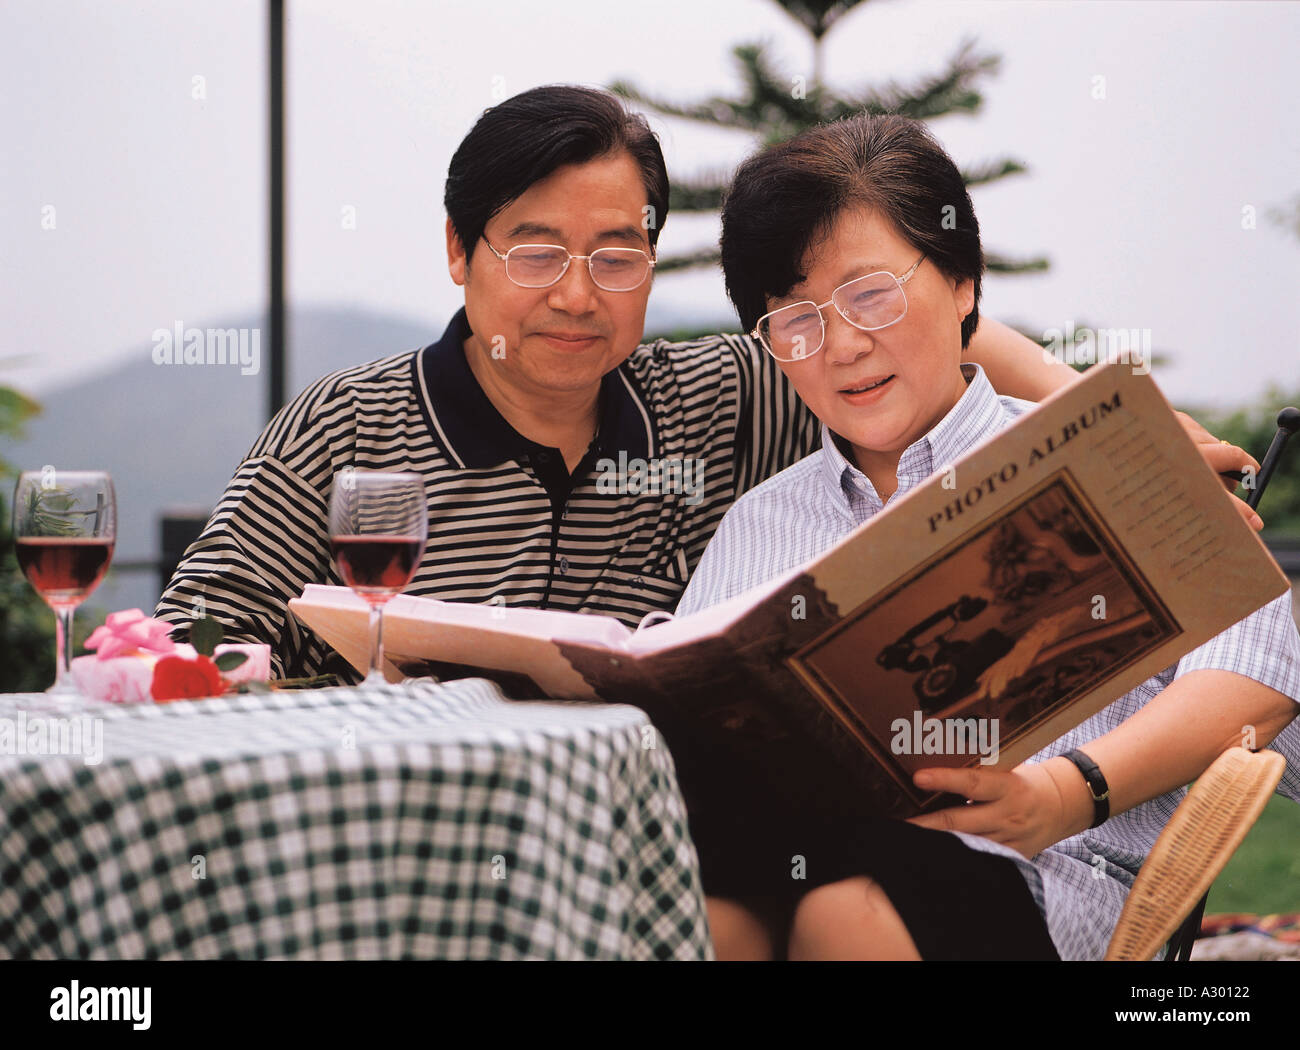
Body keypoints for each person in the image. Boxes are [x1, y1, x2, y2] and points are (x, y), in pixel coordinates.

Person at [154, 85, 1259, 680]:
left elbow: (920, 330)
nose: (577, 298)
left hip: (653, 843)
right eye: (534, 252)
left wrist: (1129, 436)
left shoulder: (722, 391)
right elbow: (191, 634)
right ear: (459, 251)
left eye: (617, 256)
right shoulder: (348, 425)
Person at [675, 111, 1300, 961]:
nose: (844, 347)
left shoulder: (1111, 467)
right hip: (783, 866)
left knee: (849, 907)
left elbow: (1257, 677)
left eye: (871, 295)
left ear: (964, 283)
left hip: (1045, 882)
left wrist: (1065, 792)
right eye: (797, 320)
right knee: (707, 909)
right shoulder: (761, 522)